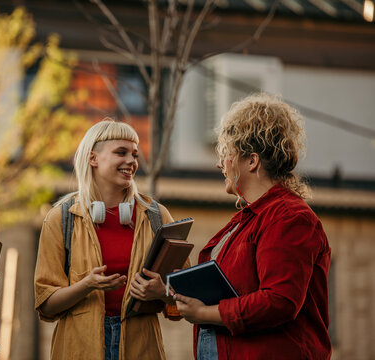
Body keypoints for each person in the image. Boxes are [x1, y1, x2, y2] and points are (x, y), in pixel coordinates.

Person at [173, 93, 332, 359]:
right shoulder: (249, 219)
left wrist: (203, 314)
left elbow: (279, 301)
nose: (219, 164)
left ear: (252, 161)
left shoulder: (289, 218)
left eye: (226, 154)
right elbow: (230, 291)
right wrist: (169, 291)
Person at [34, 120, 184, 360]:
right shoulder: (60, 218)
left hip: (142, 347)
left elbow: (185, 292)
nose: (132, 161)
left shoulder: (157, 216)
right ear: (93, 158)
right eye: (120, 152)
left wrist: (161, 291)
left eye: (134, 154)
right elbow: (47, 304)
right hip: (79, 348)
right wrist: (87, 285)